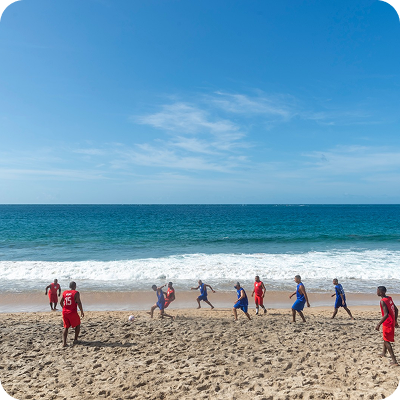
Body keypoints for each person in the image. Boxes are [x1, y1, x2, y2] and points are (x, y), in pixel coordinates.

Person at [375, 286, 398, 366]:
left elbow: (386, 315)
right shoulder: (389, 298)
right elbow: (396, 309)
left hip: (387, 323)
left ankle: (394, 360)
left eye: (377, 291)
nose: (376, 292)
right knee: (385, 338)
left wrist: (378, 324)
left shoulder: (383, 301)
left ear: (381, 292)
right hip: (391, 322)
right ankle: (383, 353)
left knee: (386, 341)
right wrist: (395, 321)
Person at [60, 281, 84, 347]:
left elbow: (61, 302)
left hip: (65, 312)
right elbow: (79, 303)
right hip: (72, 312)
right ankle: (75, 340)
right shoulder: (76, 293)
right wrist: (81, 311)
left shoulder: (65, 292)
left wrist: (64, 308)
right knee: (78, 324)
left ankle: (64, 343)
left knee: (66, 327)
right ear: (75, 286)